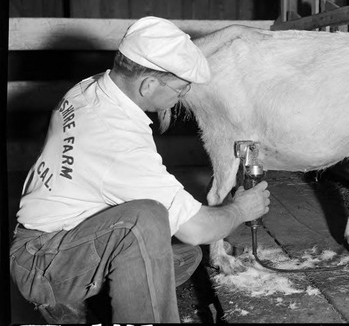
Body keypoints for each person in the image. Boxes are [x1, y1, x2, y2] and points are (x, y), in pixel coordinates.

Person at [9, 16, 271, 324]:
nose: (180, 97)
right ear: (148, 85)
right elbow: (198, 228)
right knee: (147, 220)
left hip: (53, 240)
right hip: (46, 263)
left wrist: (233, 32)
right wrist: (240, 209)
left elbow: (167, 59)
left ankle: (99, 302)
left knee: (187, 255)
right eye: (181, 89)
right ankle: (69, 301)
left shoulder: (93, 88)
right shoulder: (117, 142)